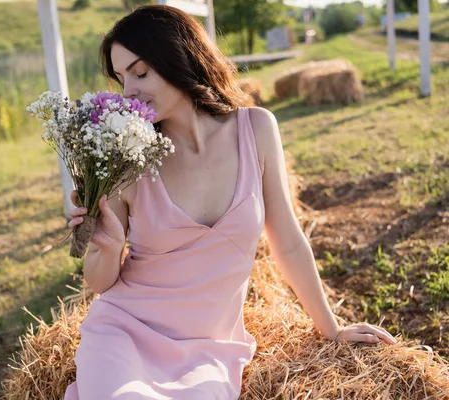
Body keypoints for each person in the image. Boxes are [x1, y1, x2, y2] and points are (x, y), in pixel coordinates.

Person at [63, 5, 397, 399]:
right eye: (121, 79)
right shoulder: (128, 157)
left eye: (140, 72)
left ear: (179, 56)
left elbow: (288, 241)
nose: (129, 91)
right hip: (124, 334)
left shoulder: (255, 129)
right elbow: (101, 282)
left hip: (209, 349)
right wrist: (109, 245)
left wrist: (332, 329)